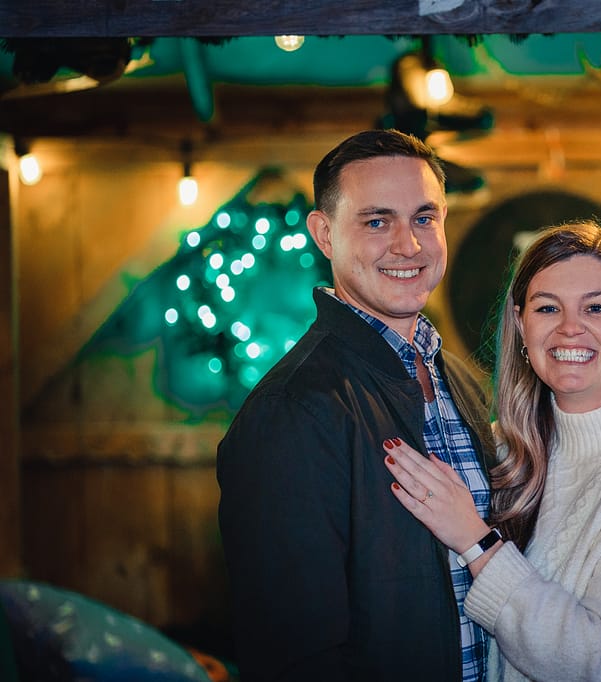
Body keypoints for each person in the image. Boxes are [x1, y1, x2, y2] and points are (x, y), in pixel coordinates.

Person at [384, 220, 601, 681]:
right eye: (548, 308)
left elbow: (600, 660)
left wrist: (474, 540)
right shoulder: (508, 446)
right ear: (521, 324)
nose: (571, 329)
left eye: (596, 308)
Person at [217, 129, 497, 681]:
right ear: (324, 234)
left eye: (424, 217)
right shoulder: (292, 408)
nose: (408, 245)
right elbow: (293, 653)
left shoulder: (461, 382)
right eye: (376, 221)